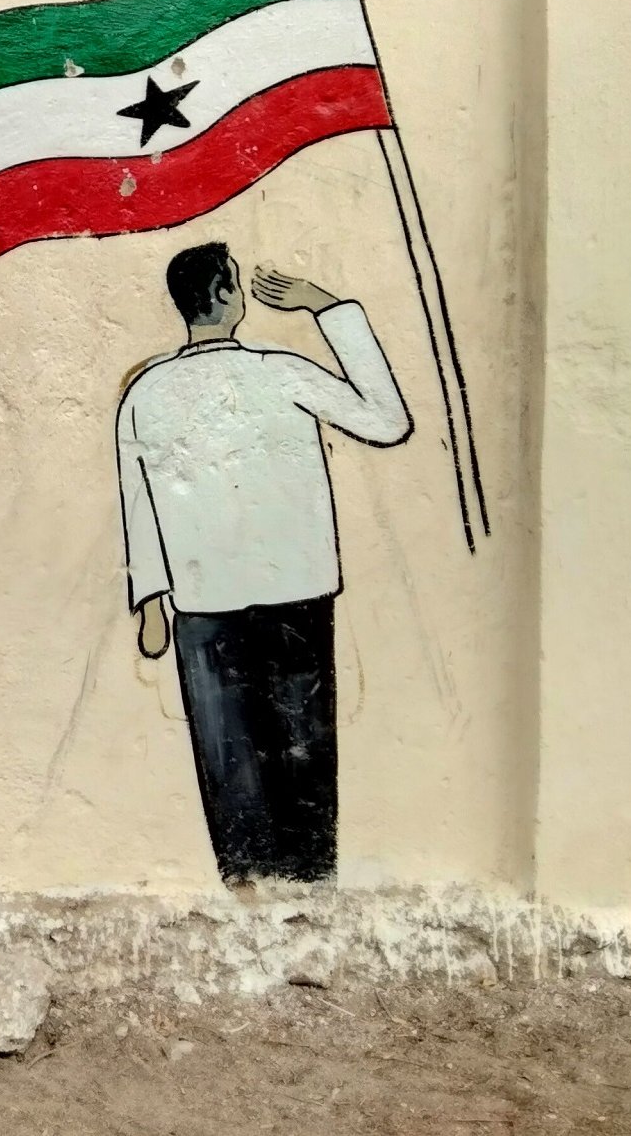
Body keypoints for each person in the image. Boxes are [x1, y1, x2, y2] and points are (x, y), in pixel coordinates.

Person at [116, 243, 411, 887]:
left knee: (230, 761)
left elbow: (138, 500)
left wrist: (151, 601)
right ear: (226, 296)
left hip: (205, 600)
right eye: (237, 282)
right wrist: (323, 307)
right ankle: (307, 886)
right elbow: (387, 420)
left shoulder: (146, 390)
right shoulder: (281, 371)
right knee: (301, 754)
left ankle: (251, 891)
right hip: (292, 591)